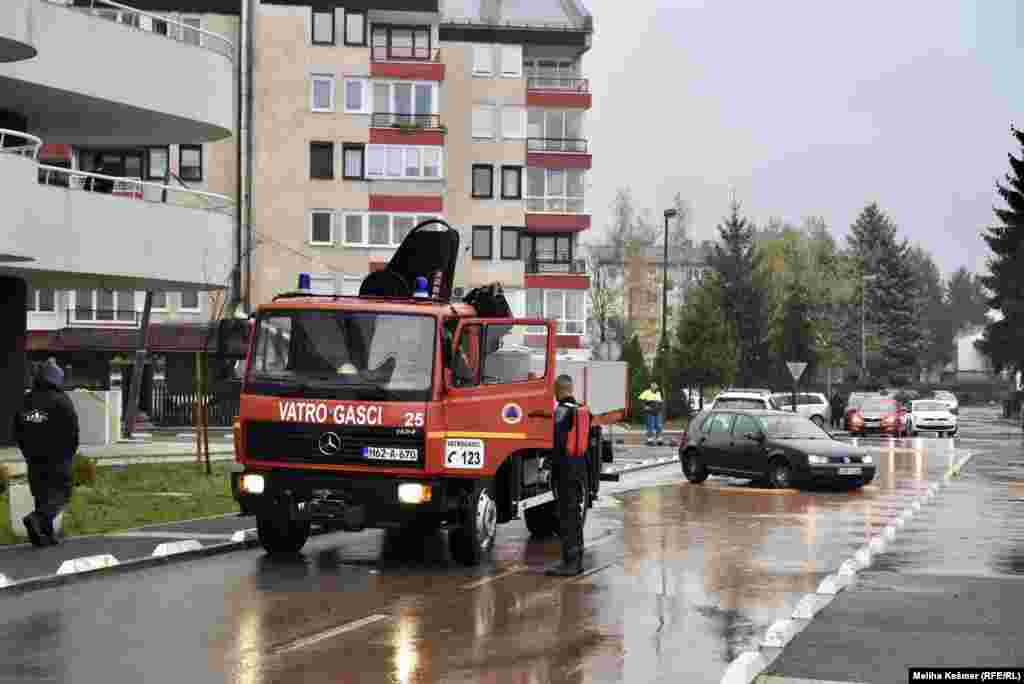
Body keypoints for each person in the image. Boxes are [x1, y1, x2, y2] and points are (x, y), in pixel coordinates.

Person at [12, 363, 79, 547]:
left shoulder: (26, 400)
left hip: (34, 458)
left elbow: (17, 430)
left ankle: (45, 535)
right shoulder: (62, 400)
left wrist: (27, 452)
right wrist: (69, 453)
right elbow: (73, 430)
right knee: (62, 494)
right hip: (58, 457)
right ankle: (36, 519)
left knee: (41, 496)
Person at [546, 374, 586, 577]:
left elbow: (557, 443)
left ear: (558, 391)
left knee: (566, 515)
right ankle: (577, 558)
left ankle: (569, 563)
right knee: (575, 513)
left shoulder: (561, 412)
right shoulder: (580, 410)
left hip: (565, 470)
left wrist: (549, 467)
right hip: (579, 468)